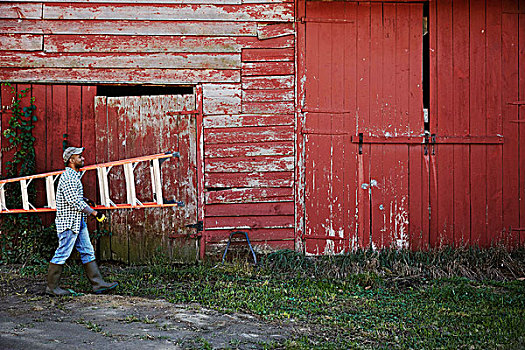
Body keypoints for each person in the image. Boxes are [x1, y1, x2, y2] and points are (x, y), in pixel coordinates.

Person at [46, 147, 118, 296]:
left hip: (78, 222)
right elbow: (73, 201)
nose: (83, 159)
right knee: (62, 253)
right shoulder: (69, 177)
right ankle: (52, 288)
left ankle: (98, 284)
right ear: (71, 160)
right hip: (69, 223)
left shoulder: (73, 176)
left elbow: (73, 198)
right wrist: (95, 212)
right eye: (79, 157)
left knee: (87, 250)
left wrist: (84, 200)